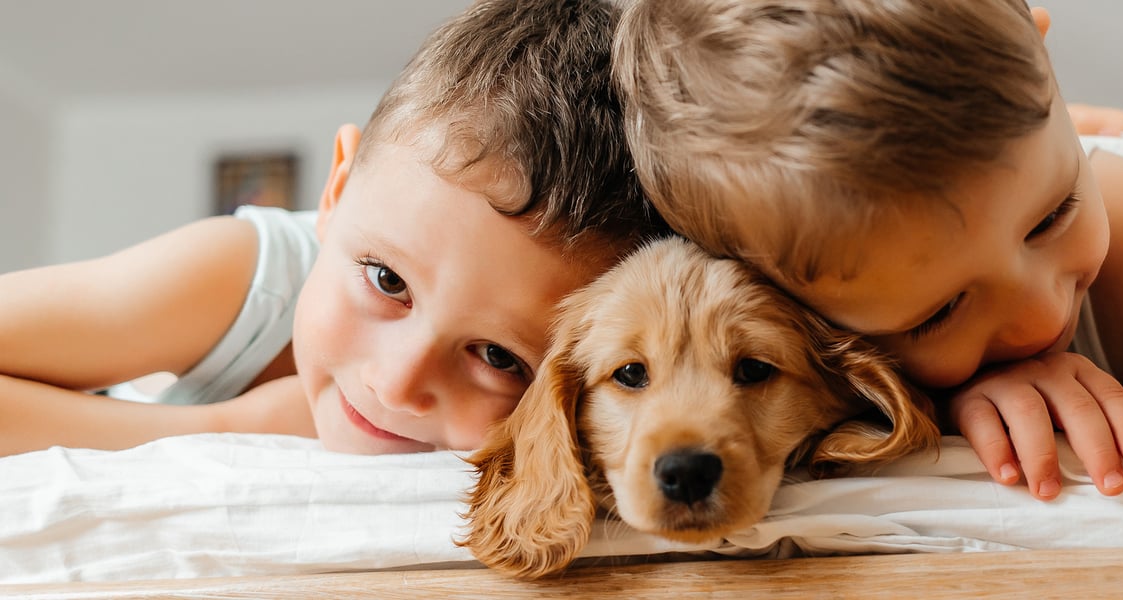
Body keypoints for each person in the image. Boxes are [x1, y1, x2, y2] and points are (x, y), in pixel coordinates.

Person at [612, 0, 1123, 500]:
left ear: (1048, 61)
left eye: (1052, 216)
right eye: (940, 312)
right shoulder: (796, 348)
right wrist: (944, 406)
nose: (1039, 313)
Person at [0, 0, 666, 457]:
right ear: (337, 189)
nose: (399, 383)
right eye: (387, 280)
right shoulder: (241, 276)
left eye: (499, 358)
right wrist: (222, 429)